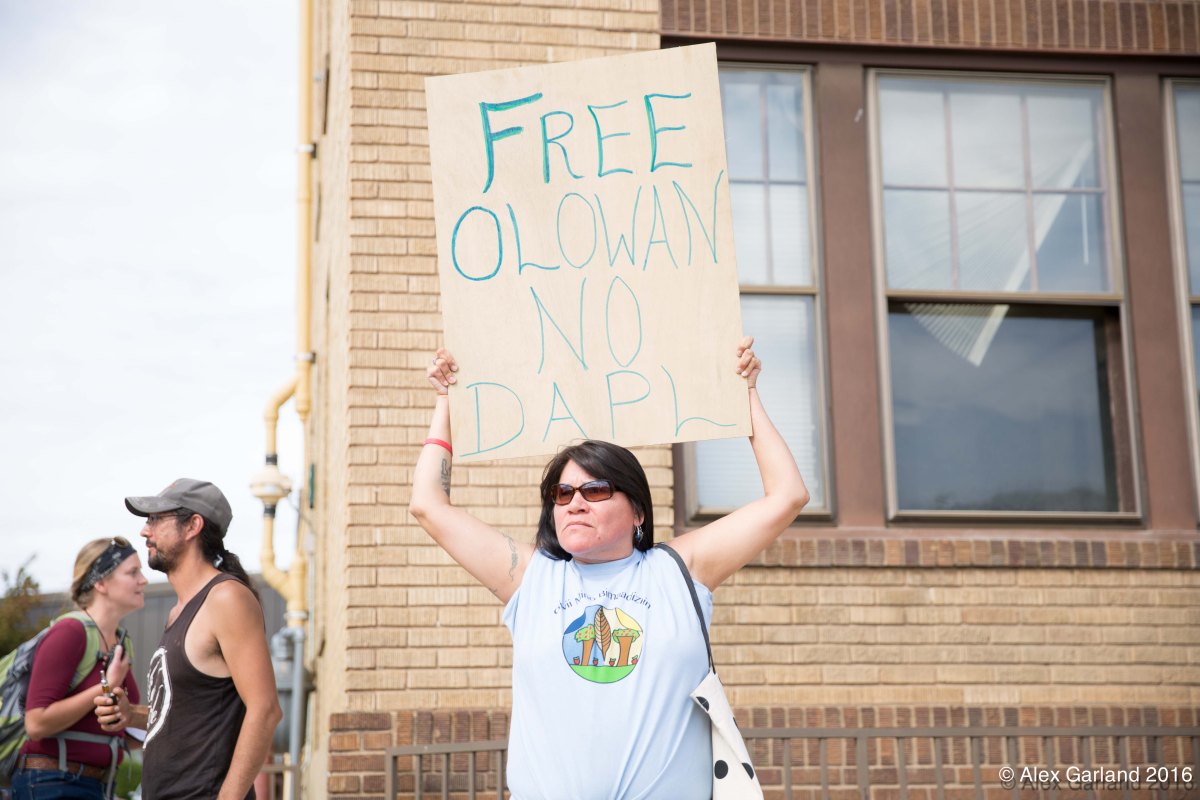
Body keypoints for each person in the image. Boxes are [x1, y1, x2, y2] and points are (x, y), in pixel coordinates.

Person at [410, 337, 809, 799]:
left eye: (596, 490)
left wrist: (747, 395)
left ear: (637, 511)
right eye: (562, 494)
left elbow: (788, 495)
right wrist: (446, 401)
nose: (575, 503)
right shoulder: (531, 577)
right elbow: (427, 505)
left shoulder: (679, 570)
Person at [93, 479, 281, 800]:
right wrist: (131, 714)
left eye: (156, 519)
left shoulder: (226, 598)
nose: (145, 531)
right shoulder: (178, 611)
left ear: (193, 525)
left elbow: (265, 709)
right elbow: (190, 712)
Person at [13, 537, 146, 800]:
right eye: (133, 572)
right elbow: (36, 723)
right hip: (50, 784)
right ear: (101, 583)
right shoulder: (69, 633)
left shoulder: (120, 642)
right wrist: (106, 686)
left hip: (96, 785)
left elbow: (122, 732)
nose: (143, 580)